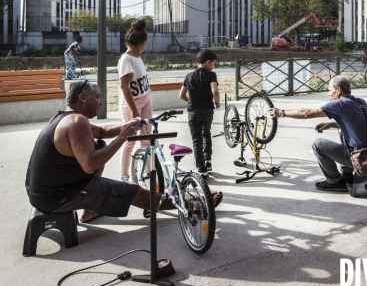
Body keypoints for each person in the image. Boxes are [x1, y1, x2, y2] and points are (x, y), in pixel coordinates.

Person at [25, 81, 222, 224]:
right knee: (137, 193)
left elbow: (102, 132)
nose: (100, 102)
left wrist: (126, 126)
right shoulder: (77, 122)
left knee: (100, 143)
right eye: (98, 96)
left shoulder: (64, 118)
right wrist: (123, 137)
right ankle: (193, 203)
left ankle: (90, 211)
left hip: (42, 193)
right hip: (57, 197)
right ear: (83, 98)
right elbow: (90, 164)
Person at [268, 75, 367, 192]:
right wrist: (332, 124)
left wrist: (282, 113)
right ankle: (348, 175)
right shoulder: (360, 101)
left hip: (361, 159)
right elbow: (357, 123)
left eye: (329, 90)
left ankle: (335, 181)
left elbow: (307, 113)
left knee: (318, 144)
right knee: (342, 131)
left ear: (338, 90)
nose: (328, 94)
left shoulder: (340, 104)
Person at [117, 19, 152, 182]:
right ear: (143, 43)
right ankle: (124, 175)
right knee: (130, 139)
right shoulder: (126, 59)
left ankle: (147, 173)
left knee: (146, 139)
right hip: (133, 104)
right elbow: (124, 87)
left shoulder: (137, 57)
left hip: (146, 100)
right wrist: (135, 111)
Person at [179, 50, 220, 178]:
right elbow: (215, 91)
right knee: (207, 134)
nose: (214, 66)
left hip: (194, 112)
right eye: (213, 63)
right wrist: (217, 103)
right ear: (208, 62)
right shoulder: (211, 75)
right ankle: (208, 160)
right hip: (207, 111)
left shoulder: (189, 76)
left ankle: (202, 171)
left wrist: (191, 102)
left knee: (197, 141)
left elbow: (181, 96)